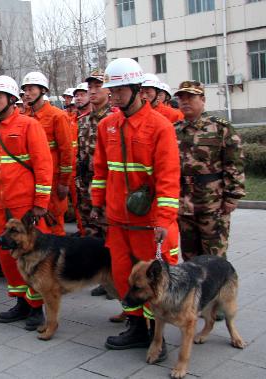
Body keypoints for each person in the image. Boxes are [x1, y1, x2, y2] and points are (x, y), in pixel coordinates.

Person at [90, 58, 180, 355]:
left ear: (137, 90)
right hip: (118, 220)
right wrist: (97, 204)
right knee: (121, 275)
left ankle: (158, 336)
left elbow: (168, 178)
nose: (112, 96)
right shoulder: (107, 126)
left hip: (149, 222)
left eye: (118, 91)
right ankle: (136, 326)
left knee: (153, 281)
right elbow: (101, 170)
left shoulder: (160, 127)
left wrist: (164, 220)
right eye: (110, 90)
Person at [0, 75, 53, 330]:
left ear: (12, 99)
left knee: (30, 256)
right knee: (4, 254)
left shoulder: (28, 126)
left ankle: (36, 307)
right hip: (0, 206)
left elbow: (44, 165)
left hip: (23, 206)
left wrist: (41, 202)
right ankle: (20, 301)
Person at [174, 80, 245, 261]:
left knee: (215, 258)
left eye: (191, 97)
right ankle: (196, 290)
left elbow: (234, 162)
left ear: (203, 99)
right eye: (181, 97)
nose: (185, 101)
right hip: (184, 205)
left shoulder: (220, 128)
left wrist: (232, 196)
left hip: (213, 204)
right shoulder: (174, 130)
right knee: (190, 258)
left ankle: (218, 290)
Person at [21, 71, 73, 236]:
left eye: (31, 89)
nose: (27, 94)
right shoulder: (24, 118)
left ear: (43, 91)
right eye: (25, 90)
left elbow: (66, 151)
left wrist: (64, 182)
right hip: (31, 182)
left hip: (53, 182)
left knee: (54, 226)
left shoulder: (57, 116)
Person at [76, 71, 112, 238]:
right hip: (85, 186)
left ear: (108, 90)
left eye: (98, 87)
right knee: (88, 235)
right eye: (90, 87)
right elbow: (78, 154)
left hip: (106, 185)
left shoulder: (114, 119)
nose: (92, 91)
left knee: (108, 235)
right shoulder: (82, 121)